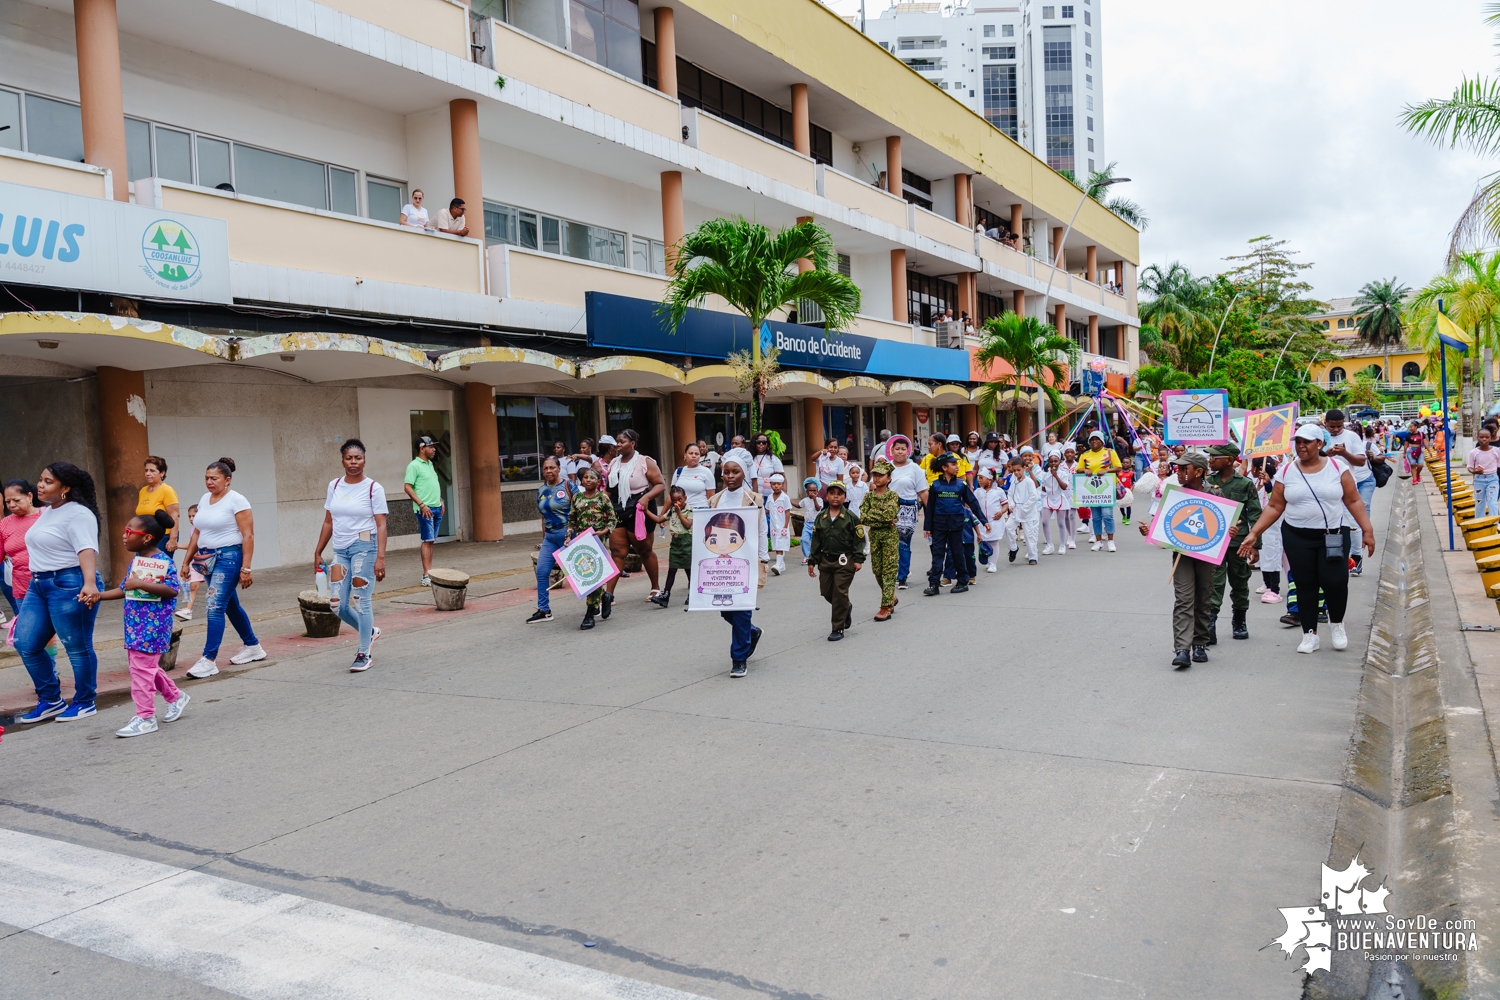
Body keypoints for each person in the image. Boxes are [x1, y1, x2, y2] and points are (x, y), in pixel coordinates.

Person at [1238, 424, 1377, 654]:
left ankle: (1337, 625)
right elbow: (1275, 506)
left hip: (1332, 535)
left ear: (1319, 444)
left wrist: (1367, 530)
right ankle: (1309, 634)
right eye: (1298, 442)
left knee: (1335, 581)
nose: (1300, 446)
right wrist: (1254, 533)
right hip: (1296, 535)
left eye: (1306, 442)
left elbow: (1353, 501)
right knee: (1305, 584)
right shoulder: (1287, 471)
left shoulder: (1337, 467)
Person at [12, 463, 104, 724]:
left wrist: (89, 584)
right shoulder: (49, 511)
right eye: (40, 479)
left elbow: (86, 549)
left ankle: (85, 702)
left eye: (48, 481)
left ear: (65, 488)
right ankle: (51, 700)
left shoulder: (79, 514)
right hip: (38, 584)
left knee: (76, 645)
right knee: (25, 643)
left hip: (69, 582)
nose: (40, 485)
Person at [93, 510, 190, 737]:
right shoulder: (138, 561)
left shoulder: (163, 561)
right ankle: (176, 696)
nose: (124, 536)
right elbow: (125, 588)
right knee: (145, 668)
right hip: (135, 626)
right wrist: (98, 595)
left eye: (129, 531)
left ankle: (146, 717)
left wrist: (141, 584)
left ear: (146, 537)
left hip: (153, 627)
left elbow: (172, 590)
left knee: (141, 672)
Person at [179, 458, 263, 678]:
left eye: (214, 478)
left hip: (229, 558)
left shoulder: (237, 500)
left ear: (227, 480)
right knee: (230, 605)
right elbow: (197, 532)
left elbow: (248, 535)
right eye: (206, 478)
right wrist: (186, 561)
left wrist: (246, 568)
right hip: (207, 559)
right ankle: (253, 646)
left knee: (214, 605)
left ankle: (209, 659)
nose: (209, 482)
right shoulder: (205, 499)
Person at [1138, 452, 1220, 669]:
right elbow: (1164, 525)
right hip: (1182, 555)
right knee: (1184, 599)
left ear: (1199, 472)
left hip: (1206, 555)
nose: (1180, 472)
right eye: (1179, 469)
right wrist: (1150, 530)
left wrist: (1231, 529)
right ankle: (1182, 649)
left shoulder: (1216, 493)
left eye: (1185, 469)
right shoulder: (1175, 495)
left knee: (1203, 597)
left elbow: (1222, 523)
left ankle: (1200, 643)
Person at [314, 440, 388, 672]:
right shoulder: (334, 486)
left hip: (364, 545)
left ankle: (363, 653)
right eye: (349, 458)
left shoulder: (373, 488)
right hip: (340, 549)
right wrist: (318, 550)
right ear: (342, 460)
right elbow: (329, 521)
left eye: (358, 458)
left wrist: (381, 558)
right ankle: (370, 631)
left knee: (361, 600)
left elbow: (381, 525)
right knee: (336, 604)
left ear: (364, 460)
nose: (353, 462)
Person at [706, 457, 766, 677]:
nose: (730, 476)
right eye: (726, 472)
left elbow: (761, 530)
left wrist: (763, 558)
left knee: (741, 611)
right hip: (720, 565)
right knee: (725, 609)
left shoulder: (754, 499)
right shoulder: (715, 501)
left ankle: (738, 659)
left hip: (745, 564)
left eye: (735, 472)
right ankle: (751, 632)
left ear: (744, 474)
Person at [1205, 444, 1262, 643]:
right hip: (1213, 542)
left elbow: (1255, 514)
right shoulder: (1206, 482)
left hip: (1239, 543)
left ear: (1229, 460)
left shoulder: (1245, 483)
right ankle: (1209, 624)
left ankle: (1239, 621)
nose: (1210, 461)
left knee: (1239, 582)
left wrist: (1255, 544)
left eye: (1214, 457)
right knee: (1214, 583)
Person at [604, 428, 665, 608]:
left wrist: (646, 498)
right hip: (617, 509)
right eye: (617, 441)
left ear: (632, 443)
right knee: (617, 552)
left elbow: (660, 485)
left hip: (640, 509)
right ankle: (609, 594)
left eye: (622, 441)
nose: (618, 445)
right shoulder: (614, 463)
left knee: (644, 550)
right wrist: (601, 502)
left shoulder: (645, 462)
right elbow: (609, 489)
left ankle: (655, 587)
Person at [808, 480, 865, 640]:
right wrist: (812, 561)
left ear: (844, 497)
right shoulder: (822, 517)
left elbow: (859, 540)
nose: (835, 497)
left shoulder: (851, 518)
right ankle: (845, 607)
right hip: (825, 561)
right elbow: (816, 541)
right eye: (832, 493)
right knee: (827, 592)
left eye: (839, 494)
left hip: (844, 561)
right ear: (826, 496)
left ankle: (837, 628)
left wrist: (858, 559)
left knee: (839, 592)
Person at [923, 452, 986, 595]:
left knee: (958, 552)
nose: (957, 467)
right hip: (938, 524)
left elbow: (973, 503)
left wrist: (984, 521)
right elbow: (930, 507)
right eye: (953, 465)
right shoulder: (935, 485)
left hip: (957, 524)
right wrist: (927, 527)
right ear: (944, 467)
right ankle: (934, 585)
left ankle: (963, 581)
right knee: (938, 554)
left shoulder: (961, 485)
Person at [527, 455, 577, 624]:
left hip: (569, 536)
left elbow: (580, 510)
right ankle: (544, 610)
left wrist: (575, 533)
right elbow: (543, 516)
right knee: (542, 572)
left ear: (559, 469)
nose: (548, 471)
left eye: (552, 468)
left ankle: (598, 602)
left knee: (580, 573)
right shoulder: (541, 490)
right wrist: (543, 539)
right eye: (545, 468)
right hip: (550, 538)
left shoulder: (569, 486)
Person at [1322, 409, 1372, 576]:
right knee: (1328, 525)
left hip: (1347, 486)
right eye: (1332, 426)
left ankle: (1356, 558)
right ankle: (1333, 558)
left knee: (1353, 524)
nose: (1335, 430)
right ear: (1325, 423)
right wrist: (1326, 455)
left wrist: (1344, 453)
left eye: (1339, 426)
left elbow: (1360, 460)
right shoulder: (1320, 436)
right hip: (1324, 488)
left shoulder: (1352, 437)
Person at [566, 466, 616, 629]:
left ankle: (590, 613)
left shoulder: (603, 498)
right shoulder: (577, 498)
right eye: (586, 477)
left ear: (598, 481)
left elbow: (612, 520)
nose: (588, 480)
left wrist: (603, 532)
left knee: (592, 576)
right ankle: (605, 596)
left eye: (592, 477)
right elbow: (572, 520)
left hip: (598, 540)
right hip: (581, 541)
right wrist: (568, 537)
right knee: (584, 574)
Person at [886, 435, 928, 590]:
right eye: (897, 449)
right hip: (889, 509)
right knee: (890, 544)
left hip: (908, 509)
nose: (900, 452)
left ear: (908, 451)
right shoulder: (886, 467)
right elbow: (875, 487)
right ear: (892, 450)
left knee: (903, 544)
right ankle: (894, 571)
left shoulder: (914, 468)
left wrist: (930, 515)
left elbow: (923, 492)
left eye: (903, 449)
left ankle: (902, 576)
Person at [861, 460, 901, 620]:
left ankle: (885, 607)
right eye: (875, 475)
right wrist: (881, 519)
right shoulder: (869, 496)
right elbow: (863, 517)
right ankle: (891, 595)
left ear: (889, 478)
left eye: (880, 475)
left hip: (889, 536)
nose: (877, 478)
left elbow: (888, 515)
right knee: (877, 570)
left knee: (889, 571)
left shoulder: (892, 496)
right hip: (875, 536)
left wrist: (880, 518)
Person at [403, 435, 444, 587]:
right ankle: (426, 575)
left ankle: (430, 572)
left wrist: (440, 500)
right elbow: (407, 487)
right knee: (427, 541)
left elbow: (431, 485)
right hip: (424, 509)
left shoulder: (430, 464)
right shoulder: (414, 466)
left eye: (434, 446)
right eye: (431, 446)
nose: (434, 449)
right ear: (422, 448)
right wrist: (421, 505)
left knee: (431, 540)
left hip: (436, 507)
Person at [648, 485, 693, 608]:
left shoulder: (690, 510)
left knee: (689, 570)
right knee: (672, 569)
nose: (677, 503)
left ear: (685, 498)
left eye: (680, 500)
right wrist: (646, 511)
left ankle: (693, 594)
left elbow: (688, 525)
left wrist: (679, 513)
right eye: (674, 501)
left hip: (687, 543)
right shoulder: (671, 511)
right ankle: (666, 595)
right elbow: (659, 519)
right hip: (675, 543)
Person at [1077, 430, 1123, 551]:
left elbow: (1118, 467)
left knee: (1107, 515)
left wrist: (1107, 471)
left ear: (1102, 441)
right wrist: (1084, 470)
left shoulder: (1109, 452)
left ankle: (1110, 541)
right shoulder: (1085, 454)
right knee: (1096, 517)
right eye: (1092, 439)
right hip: (1092, 489)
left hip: (1107, 488)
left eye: (1097, 439)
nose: (1094, 441)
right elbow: (1078, 469)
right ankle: (1098, 541)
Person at [2, 479, 41, 618]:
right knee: (29, 635)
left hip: (52, 585)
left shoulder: (47, 516)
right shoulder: (5, 524)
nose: (12, 505)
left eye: (16, 500)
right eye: (7, 502)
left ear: (29, 496)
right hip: (21, 588)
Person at [136, 456, 181, 553]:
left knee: (158, 566)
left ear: (162, 473)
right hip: (145, 536)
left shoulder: (167, 490)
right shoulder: (143, 491)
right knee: (141, 566)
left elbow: (174, 515)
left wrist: (172, 539)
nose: (148, 473)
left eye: (152, 471)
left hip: (162, 536)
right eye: (146, 470)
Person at [1005, 454, 1041, 564]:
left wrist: (1024, 508)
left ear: (1024, 468)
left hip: (1028, 510)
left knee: (1029, 534)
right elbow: (1010, 494)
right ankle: (1013, 548)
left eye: (1018, 470)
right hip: (1016, 509)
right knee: (1008, 527)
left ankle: (1032, 556)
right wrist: (1011, 504)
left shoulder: (1029, 482)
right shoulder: (1014, 481)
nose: (1016, 473)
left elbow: (1033, 497)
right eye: (1014, 470)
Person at [972, 466, 1008, 574]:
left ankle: (993, 563)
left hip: (995, 520)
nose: (978, 480)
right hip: (982, 522)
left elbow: (1005, 504)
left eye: (981, 478)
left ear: (989, 480)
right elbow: (973, 504)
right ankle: (987, 558)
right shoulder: (978, 492)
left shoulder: (998, 491)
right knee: (982, 541)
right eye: (978, 477)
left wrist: (1001, 512)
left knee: (994, 542)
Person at [174, 504, 204, 620]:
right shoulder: (193, 531)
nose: (191, 519)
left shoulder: (204, 530)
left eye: (194, 516)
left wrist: (178, 546)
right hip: (196, 560)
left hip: (205, 560)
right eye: (189, 516)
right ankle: (188, 609)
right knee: (192, 585)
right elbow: (192, 546)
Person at [671, 442, 717, 510]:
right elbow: (671, 495)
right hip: (681, 512)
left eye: (696, 454)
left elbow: (711, 499)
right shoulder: (678, 472)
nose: (693, 456)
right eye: (691, 453)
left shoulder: (706, 472)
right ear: (685, 455)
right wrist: (663, 515)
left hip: (700, 511)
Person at [1040, 453, 1069, 556]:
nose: (1053, 463)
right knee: (1044, 522)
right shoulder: (1045, 474)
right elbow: (1043, 487)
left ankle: (1062, 545)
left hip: (1059, 498)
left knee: (1061, 523)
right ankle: (1049, 545)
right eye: (1051, 461)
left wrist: (1055, 475)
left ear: (1059, 462)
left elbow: (1064, 487)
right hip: (1048, 499)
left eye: (1055, 461)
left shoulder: (1063, 474)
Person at [1469, 427, 1500, 520]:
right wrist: (1475, 471)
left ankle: (1495, 524)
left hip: (1493, 479)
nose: (1484, 439)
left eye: (1487, 437)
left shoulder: (1496, 451)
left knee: (1492, 502)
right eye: (1481, 437)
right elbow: (1470, 467)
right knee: (1479, 502)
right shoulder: (1474, 452)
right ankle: (1479, 523)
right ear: (1477, 437)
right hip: (1479, 480)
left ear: (1490, 438)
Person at [766, 474, 793, 575]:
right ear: (771, 485)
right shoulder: (769, 497)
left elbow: (787, 512)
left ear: (782, 485)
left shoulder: (785, 497)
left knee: (780, 545)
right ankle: (781, 564)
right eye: (774, 484)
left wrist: (786, 525)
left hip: (782, 525)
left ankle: (778, 564)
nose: (776, 486)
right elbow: (767, 510)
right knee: (777, 544)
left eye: (778, 484)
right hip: (773, 526)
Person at [798, 477, 823, 565]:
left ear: (817, 491)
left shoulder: (819, 500)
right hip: (807, 524)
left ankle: (817, 556)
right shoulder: (805, 500)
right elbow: (798, 505)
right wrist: (789, 501)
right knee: (804, 539)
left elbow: (818, 508)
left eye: (814, 491)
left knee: (816, 541)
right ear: (806, 491)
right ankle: (807, 556)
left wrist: (815, 499)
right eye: (810, 491)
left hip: (816, 524)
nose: (812, 493)